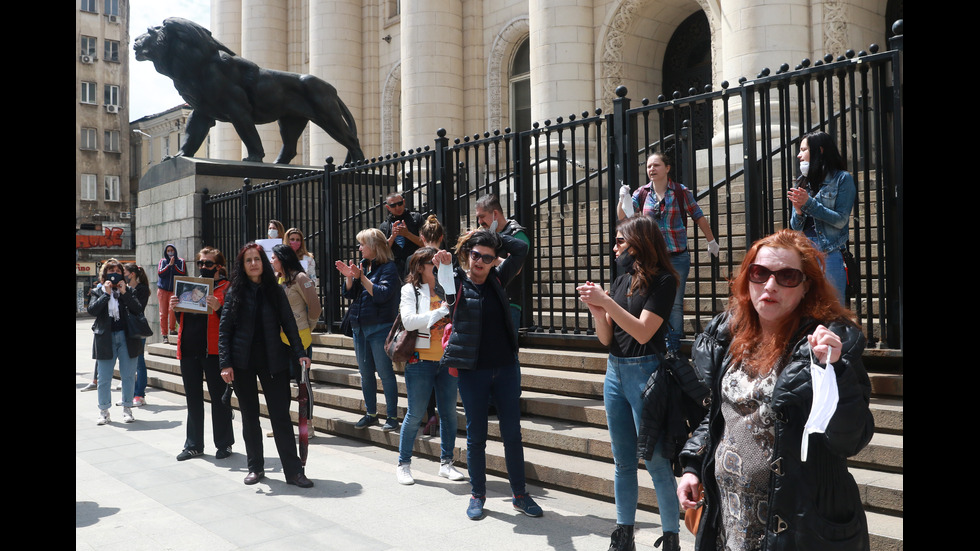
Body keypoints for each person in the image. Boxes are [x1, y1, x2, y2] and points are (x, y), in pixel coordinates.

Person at [676, 229, 872, 551]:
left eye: (787, 277)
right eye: (760, 273)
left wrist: (837, 371)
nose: (770, 286)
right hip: (730, 515)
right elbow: (717, 414)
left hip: (796, 524)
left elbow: (851, 438)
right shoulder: (729, 334)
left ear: (806, 285)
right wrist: (693, 466)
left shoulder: (829, 343)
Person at [576, 216, 682, 551]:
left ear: (640, 242)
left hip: (646, 372)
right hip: (615, 372)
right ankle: (624, 534)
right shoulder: (621, 281)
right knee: (622, 461)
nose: (615, 248)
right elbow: (608, 338)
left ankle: (671, 537)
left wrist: (607, 302)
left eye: (620, 241)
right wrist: (597, 311)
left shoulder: (665, 281)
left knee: (655, 462)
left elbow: (643, 331)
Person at [437, 229, 542, 520]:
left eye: (487, 257)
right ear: (467, 255)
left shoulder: (498, 277)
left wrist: (489, 237)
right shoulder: (456, 283)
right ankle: (478, 494)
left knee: (512, 435)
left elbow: (520, 249)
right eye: (475, 255)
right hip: (474, 372)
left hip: (506, 368)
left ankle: (519, 495)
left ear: (494, 260)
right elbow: (444, 288)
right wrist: (445, 265)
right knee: (476, 437)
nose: (480, 261)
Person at [218, 243, 314, 488]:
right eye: (248, 260)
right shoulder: (234, 291)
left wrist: (300, 353)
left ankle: (293, 472)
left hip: (274, 359)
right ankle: (255, 468)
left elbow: (289, 323)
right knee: (250, 417)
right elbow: (225, 329)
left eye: (257, 259)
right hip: (243, 362)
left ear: (264, 262)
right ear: (242, 264)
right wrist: (225, 363)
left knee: (280, 416)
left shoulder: (275, 290)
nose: (253, 264)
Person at [618, 152, 719, 353]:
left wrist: (711, 241)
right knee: (650, 300)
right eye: (648, 166)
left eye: (656, 165)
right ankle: (656, 342)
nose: (652, 169)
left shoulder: (681, 192)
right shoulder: (642, 193)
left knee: (674, 303)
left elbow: (698, 216)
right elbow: (625, 219)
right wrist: (623, 199)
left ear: (667, 168)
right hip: (651, 258)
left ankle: (672, 347)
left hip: (677, 256)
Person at [395, 247, 466, 485]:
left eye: (438, 261)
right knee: (415, 414)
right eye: (431, 262)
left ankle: (447, 463)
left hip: (446, 360)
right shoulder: (410, 290)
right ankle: (403, 464)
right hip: (420, 361)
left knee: (448, 414)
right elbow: (408, 321)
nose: (436, 265)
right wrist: (438, 314)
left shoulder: (447, 287)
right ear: (419, 267)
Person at [171, 247, 235, 461]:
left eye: (208, 263)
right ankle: (194, 445)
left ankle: (224, 444)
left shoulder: (227, 288)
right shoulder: (189, 286)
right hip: (189, 350)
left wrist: (218, 307)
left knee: (220, 400)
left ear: (218, 266)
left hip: (215, 352)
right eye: (200, 263)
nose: (203, 267)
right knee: (193, 399)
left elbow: (233, 322)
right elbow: (183, 321)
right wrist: (176, 307)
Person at [335, 228, 401, 431]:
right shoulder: (364, 265)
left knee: (385, 373)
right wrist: (348, 277)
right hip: (360, 328)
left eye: (362, 244)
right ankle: (371, 413)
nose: (359, 248)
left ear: (374, 246)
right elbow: (350, 294)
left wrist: (362, 277)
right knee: (365, 374)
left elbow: (381, 295)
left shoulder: (388, 268)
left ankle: (392, 416)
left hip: (380, 328)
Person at [788, 131, 856, 304]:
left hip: (829, 253)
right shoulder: (802, 182)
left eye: (803, 150)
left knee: (832, 309)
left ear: (819, 150)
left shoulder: (842, 179)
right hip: (804, 253)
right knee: (804, 309)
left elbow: (841, 220)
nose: (799, 155)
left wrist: (809, 204)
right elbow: (795, 227)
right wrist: (798, 211)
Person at [89, 259, 145, 425]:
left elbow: (137, 309)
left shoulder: (129, 291)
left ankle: (127, 408)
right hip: (106, 338)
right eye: (110, 271)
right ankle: (104, 411)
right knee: (104, 377)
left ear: (122, 274)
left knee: (128, 375)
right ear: (105, 274)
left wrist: (125, 293)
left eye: (118, 271)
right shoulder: (97, 291)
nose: (114, 274)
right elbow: (92, 310)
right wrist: (106, 294)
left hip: (126, 337)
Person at [474, 194, 530, 338]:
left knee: (507, 354)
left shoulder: (518, 234)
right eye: (478, 217)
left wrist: (488, 258)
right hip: (486, 298)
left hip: (508, 303)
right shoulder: (485, 233)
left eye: (482, 216)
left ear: (495, 214)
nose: (479, 222)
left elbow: (516, 269)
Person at [379, 192, 424, 277]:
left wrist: (407, 234)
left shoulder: (416, 218)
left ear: (404, 202)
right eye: (393, 205)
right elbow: (381, 252)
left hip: (416, 265)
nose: (397, 207)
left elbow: (426, 243)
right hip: (395, 268)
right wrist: (393, 236)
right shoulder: (384, 226)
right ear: (388, 207)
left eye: (399, 204)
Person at [124, 264, 151, 407]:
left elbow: (138, 308)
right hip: (125, 328)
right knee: (128, 362)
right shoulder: (125, 288)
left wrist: (126, 294)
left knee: (139, 362)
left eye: (125, 272)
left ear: (132, 274)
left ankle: (140, 394)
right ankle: (130, 393)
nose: (123, 275)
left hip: (137, 329)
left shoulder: (142, 289)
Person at [157, 243, 187, 343]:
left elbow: (182, 272)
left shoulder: (181, 261)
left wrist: (173, 266)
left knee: (172, 311)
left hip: (174, 290)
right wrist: (169, 265)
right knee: (163, 313)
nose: (170, 252)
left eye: (172, 250)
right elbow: (160, 273)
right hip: (163, 290)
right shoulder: (163, 261)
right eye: (168, 251)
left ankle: (172, 329)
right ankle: (164, 334)